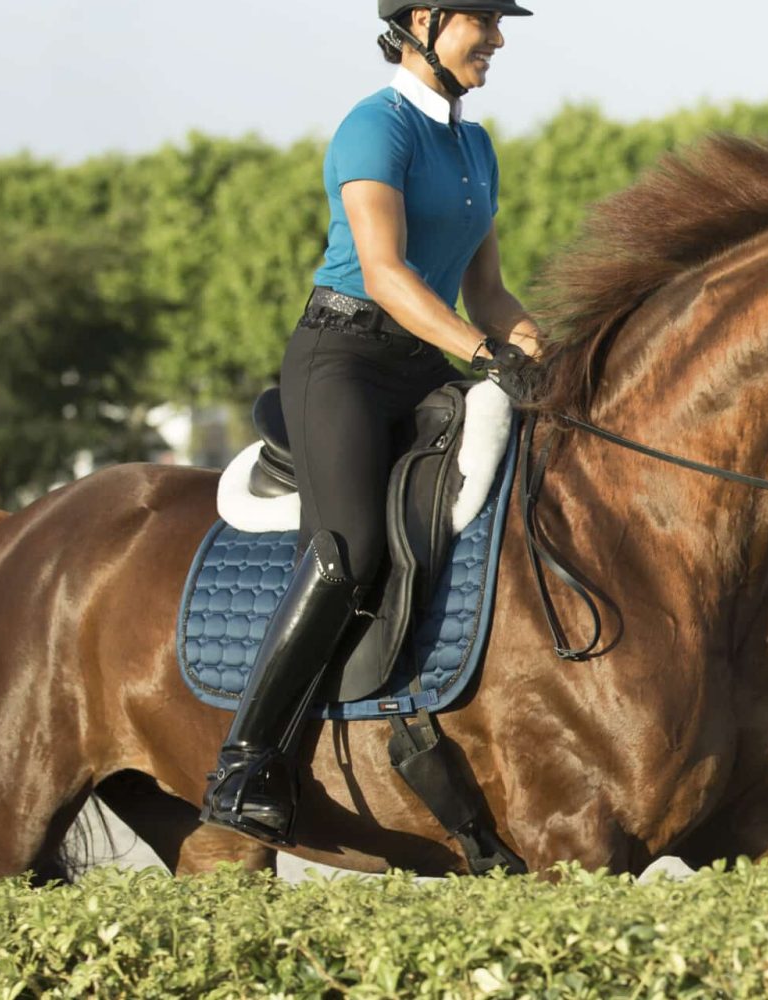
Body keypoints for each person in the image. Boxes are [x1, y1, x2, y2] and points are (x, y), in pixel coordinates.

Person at [201, 0, 544, 845]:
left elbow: (488, 291)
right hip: (343, 358)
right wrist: (482, 352)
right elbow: (387, 274)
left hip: (424, 363)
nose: (498, 38)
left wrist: (539, 351)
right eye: (483, 22)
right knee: (347, 544)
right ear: (423, 20)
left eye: (501, 24)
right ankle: (244, 763)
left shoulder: (475, 143)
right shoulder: (373, 127)